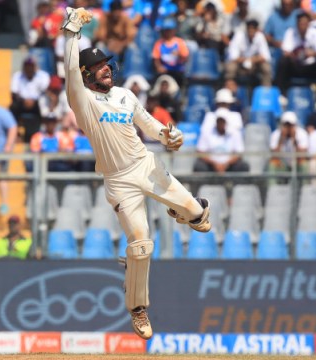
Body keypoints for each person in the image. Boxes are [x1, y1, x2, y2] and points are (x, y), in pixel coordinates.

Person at [61, 7, 211, 340]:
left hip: (146, 164)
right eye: (98, 68)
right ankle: (138, 307)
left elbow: (151, 126)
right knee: (141, 243)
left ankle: (186, 211)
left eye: (106, 65)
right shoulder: (83, 101)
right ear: (86, 75)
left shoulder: (125, 96)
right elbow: (70, 71)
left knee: (201, 219)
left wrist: (170, 136)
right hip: (118, 180)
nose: (105, 71)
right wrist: (72, 32)